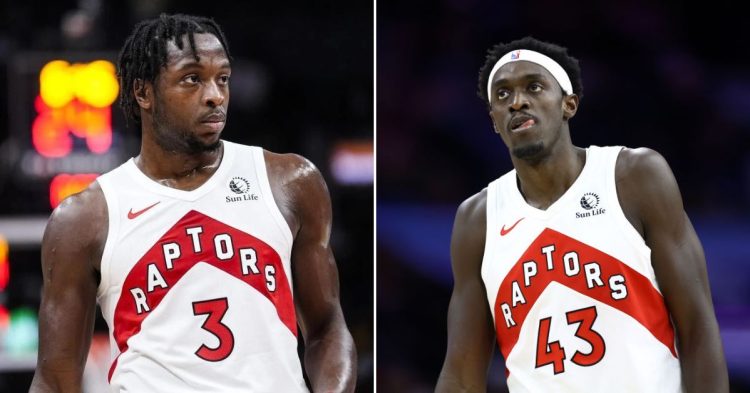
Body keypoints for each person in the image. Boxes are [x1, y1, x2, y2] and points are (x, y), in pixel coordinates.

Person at [30, 13, 356, 392]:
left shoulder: (289, 182)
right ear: (143, 92)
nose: (215, 94)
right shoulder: (85, 218)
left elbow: (328, 328)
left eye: (223, 78)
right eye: (192, 78)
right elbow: (55, 381)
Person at [435, 36, 728, 392]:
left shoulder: (633, 176)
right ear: (495, 121)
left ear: (568, 104)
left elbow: (698, 325)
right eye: (502, 95)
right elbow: (461, 374)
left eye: (534, 86)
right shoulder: (476, 219)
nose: (517, 102)